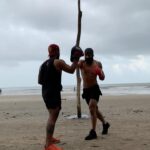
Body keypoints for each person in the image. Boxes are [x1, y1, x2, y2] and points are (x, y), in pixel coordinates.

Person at [38, 44, 83, 150]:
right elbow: (72, 70)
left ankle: (50, 138)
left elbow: (40, 81)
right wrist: (76, 58)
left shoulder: (43, 64)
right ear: (57, 51)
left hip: (45, 91)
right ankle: (48, 144)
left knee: (52, 115)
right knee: (52, 117)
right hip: (53, 92)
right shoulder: (58, 62)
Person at [78, 48, 110, 140]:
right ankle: (105, 124)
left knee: (92, 108)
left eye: (89, 54)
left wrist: (100, 73)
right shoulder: (82, 63)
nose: (87, 56)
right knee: (94, 110)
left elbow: (103, 77)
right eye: (86, 55)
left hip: (94, 88)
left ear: (93, 55)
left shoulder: (97, 64)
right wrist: (76, 58)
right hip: (86, 90)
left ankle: (93, 132)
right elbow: (75, 66)